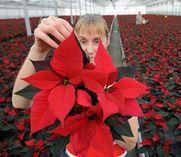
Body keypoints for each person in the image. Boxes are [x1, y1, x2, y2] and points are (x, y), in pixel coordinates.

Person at [12, 14, 139, 157]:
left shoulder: (118, 82)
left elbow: (130, 142)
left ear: (107, 41)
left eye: (97, 41)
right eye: (82, 41)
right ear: (74, 42)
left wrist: (104, 114)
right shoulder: (68, 79)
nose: (89, 49)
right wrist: (38, 49)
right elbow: (19, 102)